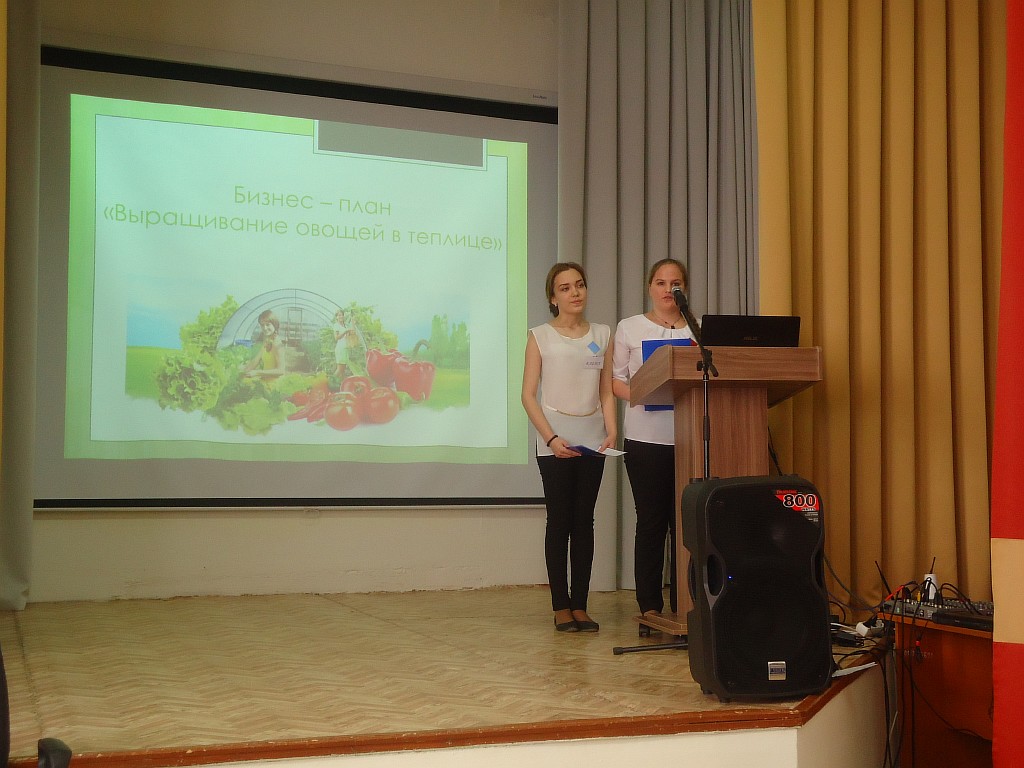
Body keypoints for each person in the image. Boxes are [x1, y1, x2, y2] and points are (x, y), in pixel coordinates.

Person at [521, 262, 617, 633]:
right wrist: (550, 438)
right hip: (555, 440)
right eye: (565, 288)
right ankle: (560, 606)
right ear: (553, 297)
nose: (575, 292)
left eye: (579, 285)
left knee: (584, 522)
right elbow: (527, 395)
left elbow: (606, 390)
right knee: (559, 521)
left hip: (594, 439)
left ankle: (581, 605)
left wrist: (612, 430)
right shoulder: (540, 336)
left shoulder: (602, 334)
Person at [611, 258, 696, 623]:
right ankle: (649, 605)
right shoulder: (630, 327)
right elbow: (615, 380)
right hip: (645, 440)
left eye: (675, 283)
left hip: (690, 438)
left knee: (686, 524)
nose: (668, 289)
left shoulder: (698, 329)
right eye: (660, 282)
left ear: (684, 288)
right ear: (650, 287)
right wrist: (641, 392)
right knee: (651, 522)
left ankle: (685, 602)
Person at [243, 309, 285, 378]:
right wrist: (244, 371)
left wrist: (257, 372)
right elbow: (257, 359)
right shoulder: (268, 340)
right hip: (266, 380)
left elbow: (281, 370)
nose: (265, 328)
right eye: (262, 325)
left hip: (274, 383)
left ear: (274, 324)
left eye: (268, 324)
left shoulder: (277, 343)